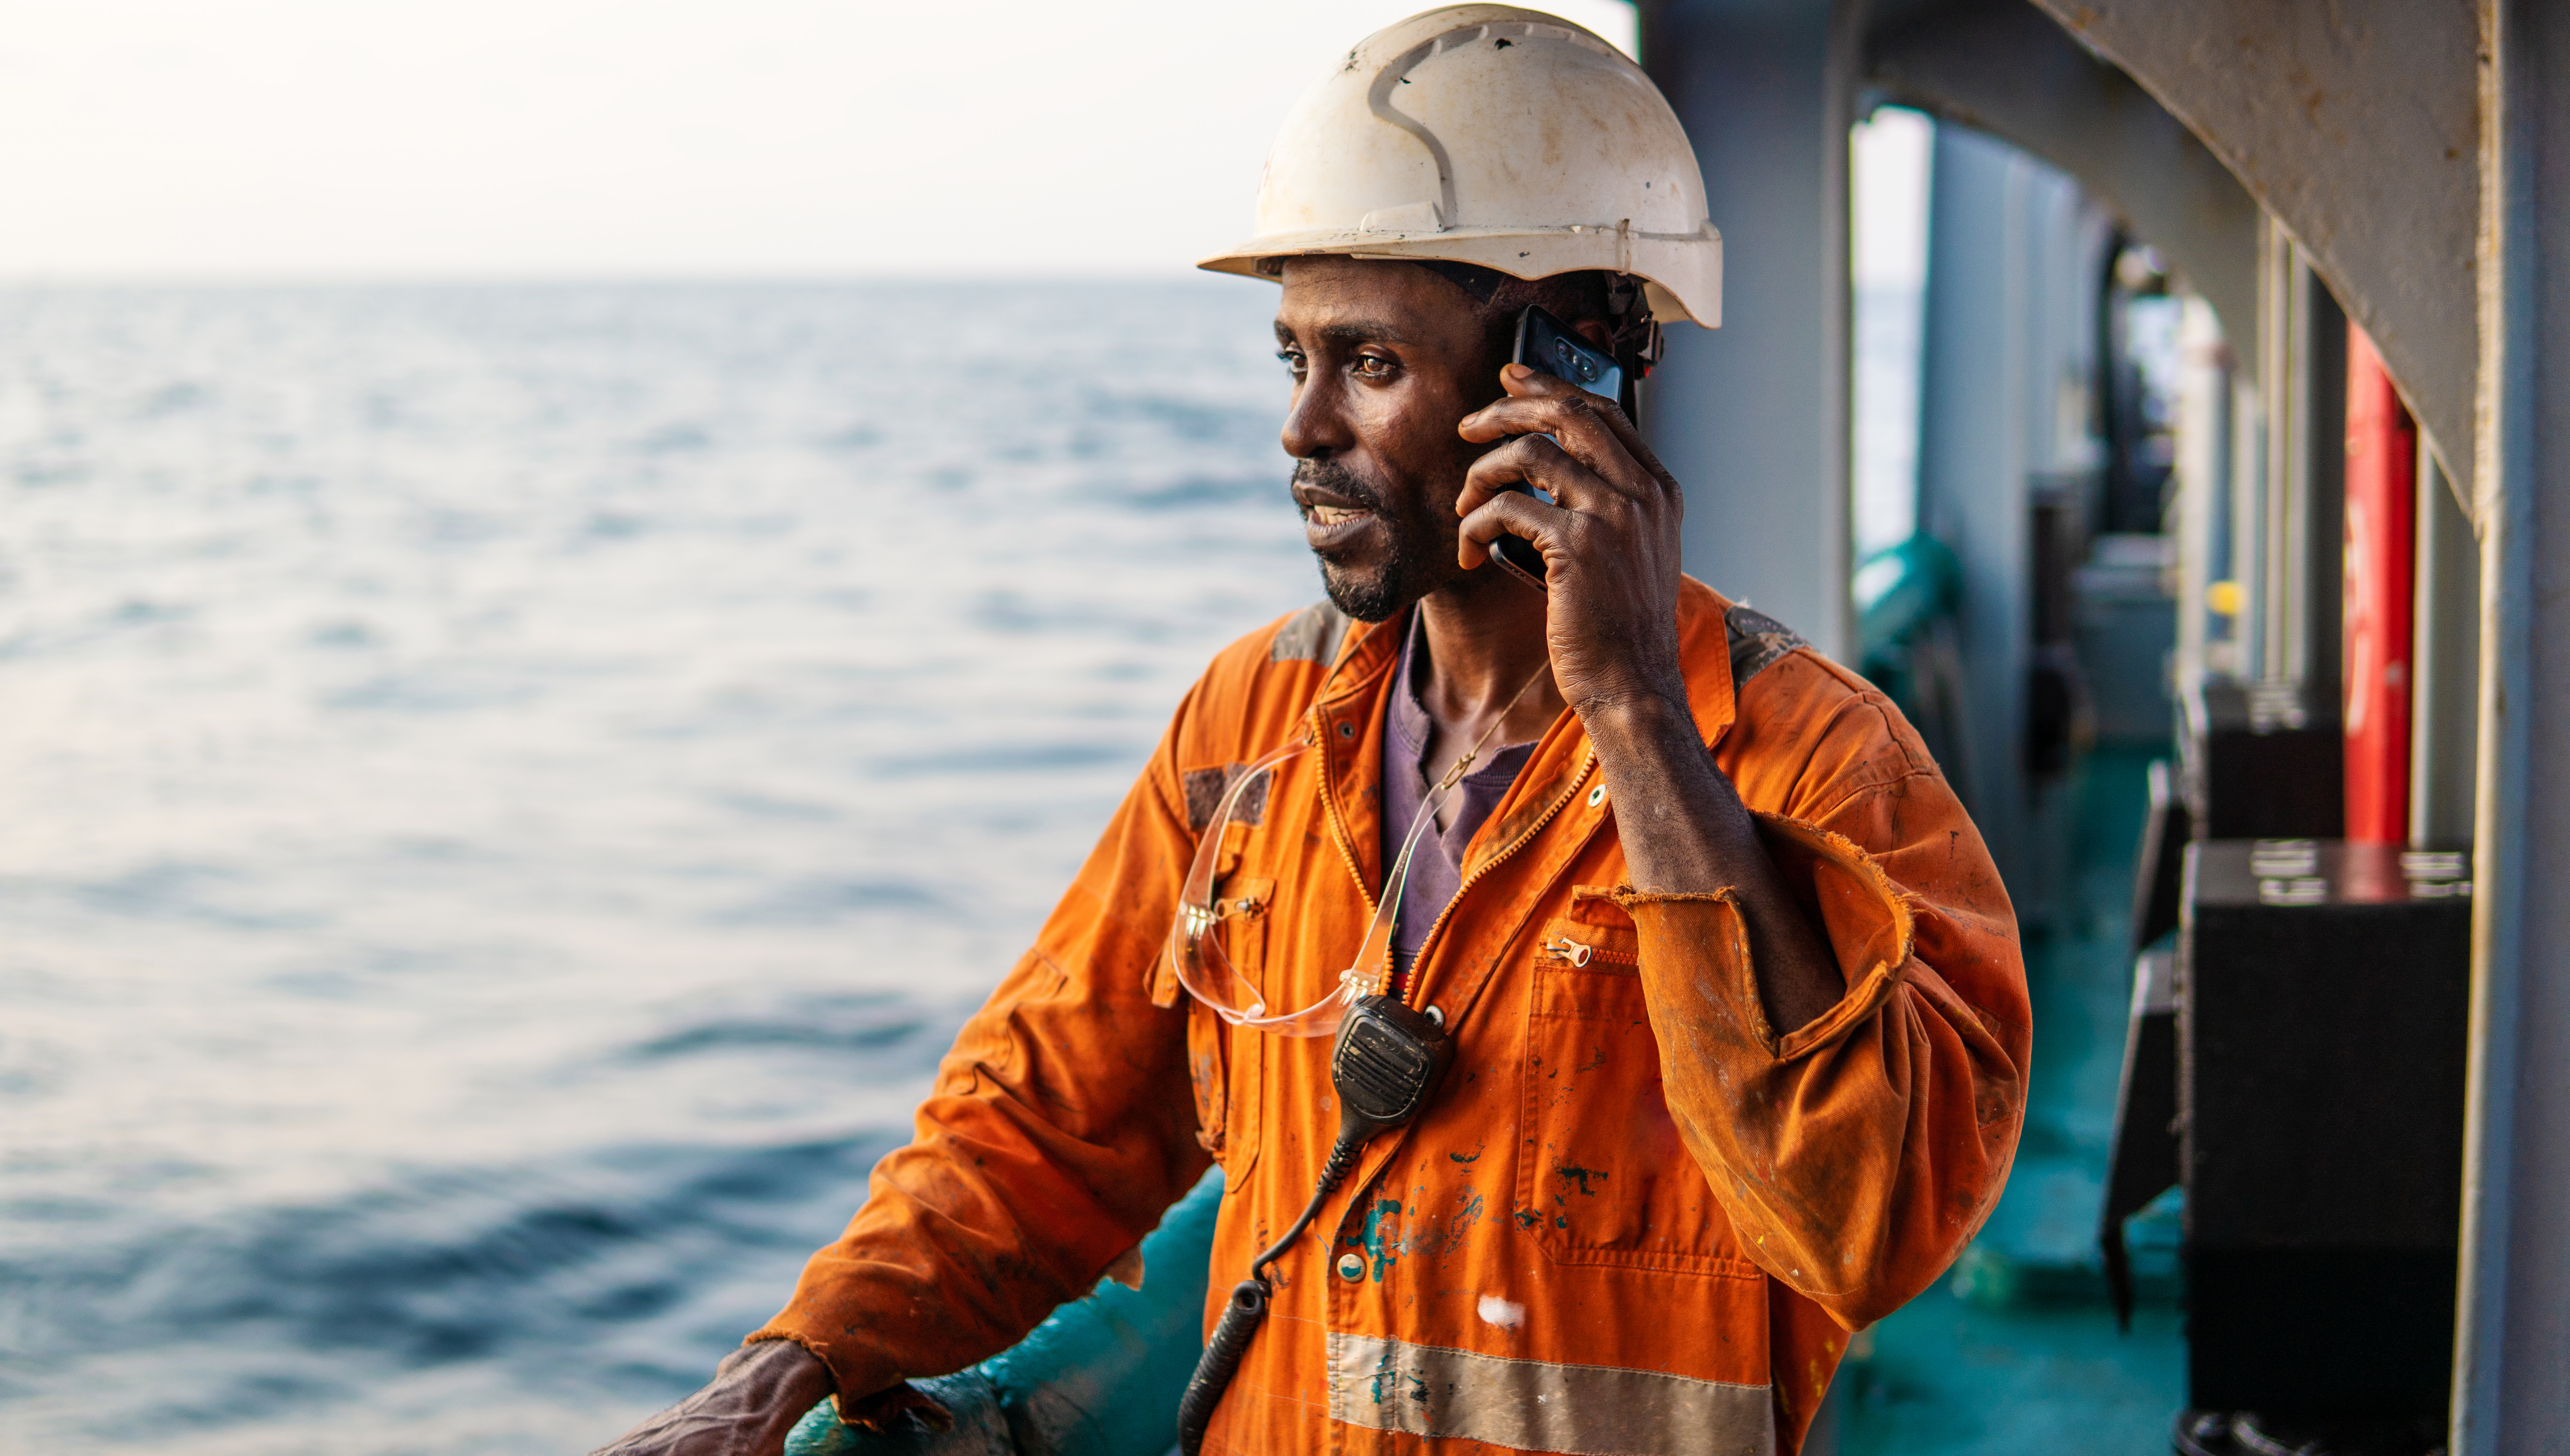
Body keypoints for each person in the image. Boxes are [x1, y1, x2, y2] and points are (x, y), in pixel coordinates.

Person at [591, 8, 2026, 1455]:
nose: (1303, 427)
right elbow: (1043, 1119)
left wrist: (1638, 715)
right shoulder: (1252, 724)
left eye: (1372, 364)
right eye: (1295, 360)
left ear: (1568, 372)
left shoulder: (1809, 760)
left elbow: (1870, 1231)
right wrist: (789, 1364)